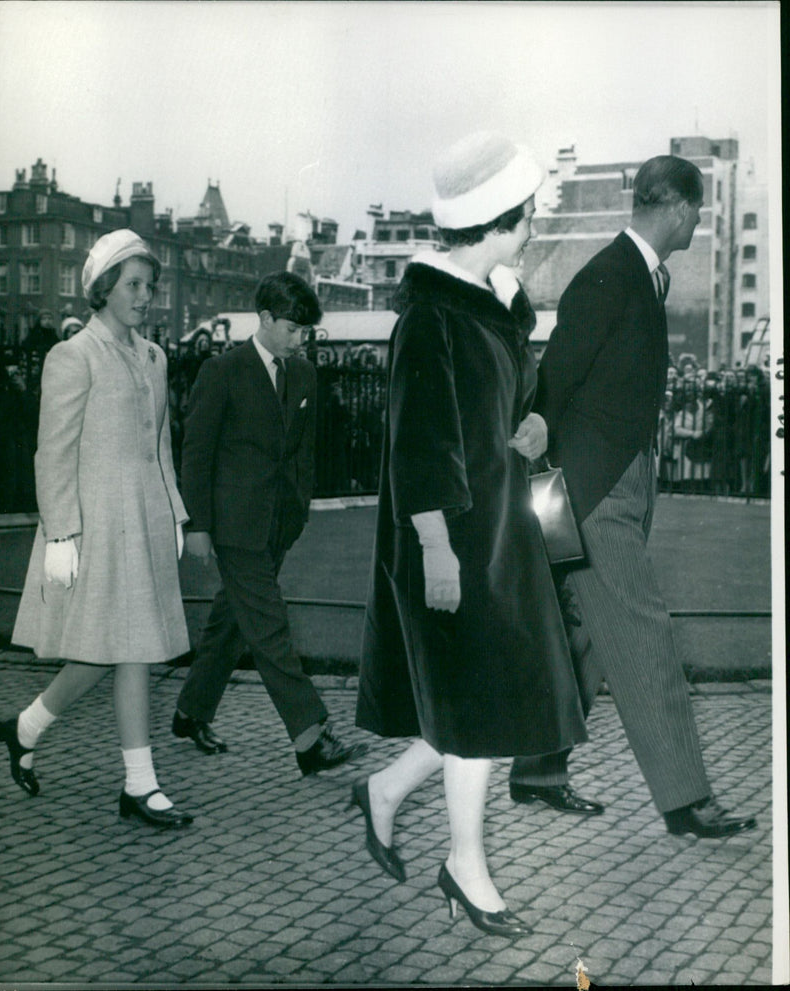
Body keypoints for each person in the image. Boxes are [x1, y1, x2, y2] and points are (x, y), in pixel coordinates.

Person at [354, 131, 587, 937]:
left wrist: (525, 424)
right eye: (523, 219)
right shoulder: (431, 317)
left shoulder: (479, 302)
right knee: (481, 704)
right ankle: (464, 864)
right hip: (451, 541)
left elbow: (494, 406)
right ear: (494, 219)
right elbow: (419, 441)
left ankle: (385, 792)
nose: (530, 231)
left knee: (482, 702)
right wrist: (433, 549)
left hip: (492, 534)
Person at [508, 155, 757, 839]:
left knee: (583, 635)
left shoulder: (637, 275)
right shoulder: (612, 275)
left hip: (605, 481)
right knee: (644, 632)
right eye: (698, 209)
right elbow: (557, 371)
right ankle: (687, 800)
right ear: (676, 206)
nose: (700, 220)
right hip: (596, 491)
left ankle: (537, 768)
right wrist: (542, 435)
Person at [0, 229, 193, 829]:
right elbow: (52, 453)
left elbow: (161, 447)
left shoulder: (155, 358)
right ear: (103, 289)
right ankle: (136, 783)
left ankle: (28, 730)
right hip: (95, 523)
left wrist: (176, 512)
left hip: (146, 519)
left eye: (149, 286)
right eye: (133, 285)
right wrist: (60, 534)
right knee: (118, 648)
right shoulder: (73, 355)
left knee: (124, 649)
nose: (145, 296)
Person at [173, 271, 368, 776]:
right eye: (292, 329)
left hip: (279, 522)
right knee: (268, 625)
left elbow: (303, 452)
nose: (300, 340)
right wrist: (197, 524)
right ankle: (309, 737)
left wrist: (298, 507)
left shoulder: (303, 375)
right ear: (263, 319)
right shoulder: (222, 371)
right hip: (233, 526)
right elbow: (196, 453)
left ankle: (190, 711)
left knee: (231, 621)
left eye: (306, 331)